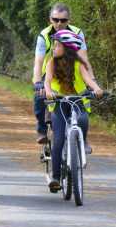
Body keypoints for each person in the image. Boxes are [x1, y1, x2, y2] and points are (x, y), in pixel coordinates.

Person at [43, 30, 103, 192]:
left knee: (83, 120)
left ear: (67, 48)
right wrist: (49, 92)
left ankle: (82, 140)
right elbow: (47, 80)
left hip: (76, 100)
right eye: (53, 45)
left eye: (57, 45)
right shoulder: (52, 62)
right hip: (59, 102)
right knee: (58, 140)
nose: (53, 49)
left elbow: (88, 80)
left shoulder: (78, 64)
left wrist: (97, 89)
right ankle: (56, 177)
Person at [32, 3, 96, 144]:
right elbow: (38, 62)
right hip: (48, 71)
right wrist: (38, 82)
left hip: (71, 69)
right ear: (50, 19)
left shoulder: (77, 33)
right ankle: (42, 129)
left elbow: (84, 58)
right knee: (40, 97)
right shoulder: (44, 35)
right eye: (55, 19)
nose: (59, 23)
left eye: (63, 20)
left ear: (69, 20)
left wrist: (92, 79)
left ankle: (78, 132)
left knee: (81, 94)